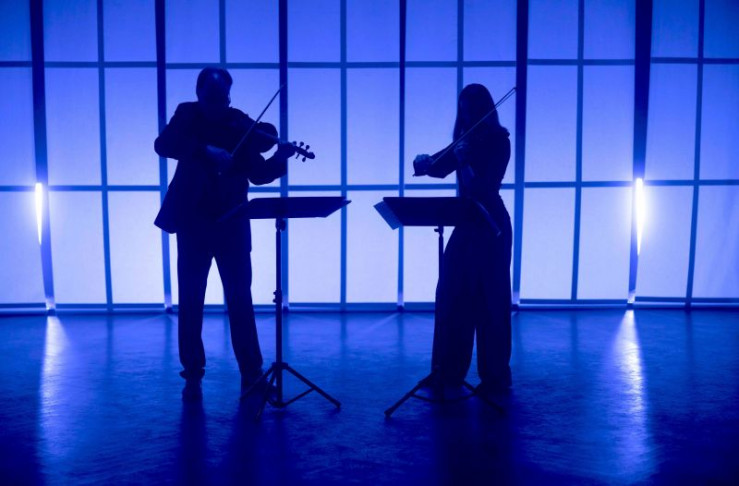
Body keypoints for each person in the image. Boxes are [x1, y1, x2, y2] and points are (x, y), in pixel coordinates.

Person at [154, 67, 295, 401]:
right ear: (199, 94)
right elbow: (164, 144)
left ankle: (252, 372)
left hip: (232, 222)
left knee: (240, 298)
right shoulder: (187, 115)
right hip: (193, 223)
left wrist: (280, 157)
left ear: (229, 96)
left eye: (223, 98)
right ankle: (192, 368)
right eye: (212, 98)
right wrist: (206, 150)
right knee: (191, 297)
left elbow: (258, 174)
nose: (218, 105)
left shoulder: (238, 122)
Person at [413, 83, 513, 397]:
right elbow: (439, 168)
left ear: (484, 109)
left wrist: (466, 160)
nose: (468, 116)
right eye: (464, 110)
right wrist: (423, 163)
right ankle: (446, 371)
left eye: (473, 110)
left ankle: (495, 376)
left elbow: (483, 188)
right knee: (451, 294)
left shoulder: (499, 141)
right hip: (467, 223)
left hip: (491, 224)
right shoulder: (465, 140)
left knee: (491, 301)